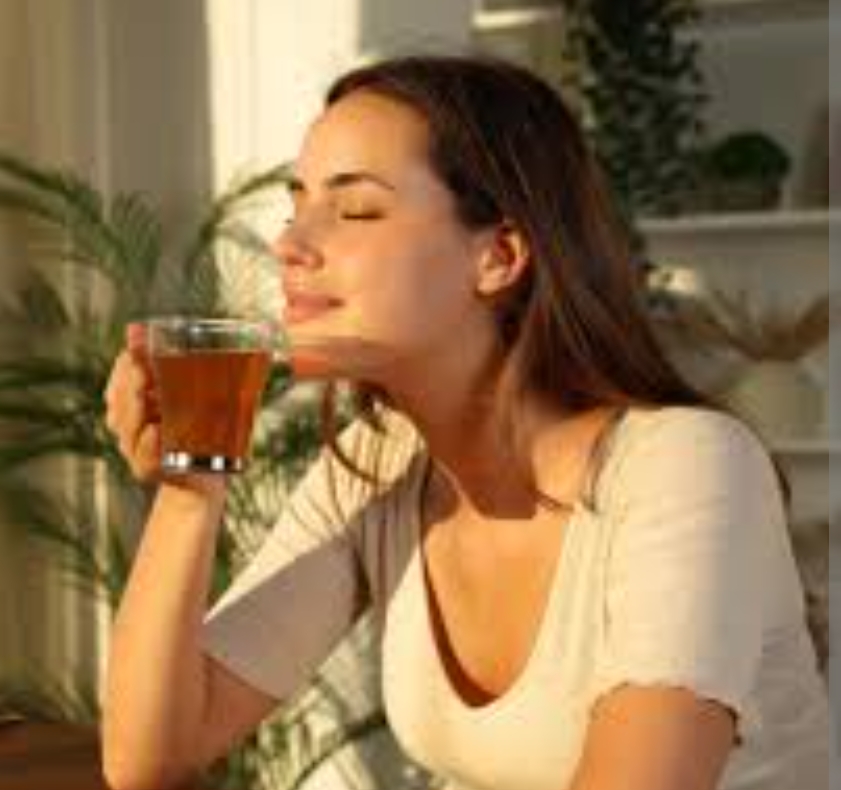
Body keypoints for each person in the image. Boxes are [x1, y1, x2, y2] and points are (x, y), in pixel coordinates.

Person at [101, 54, 831, 790]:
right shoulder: (375, 466)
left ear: (498, 256)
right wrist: (191, 485)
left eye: (355, 210)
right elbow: (152, 757)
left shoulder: (684, 466)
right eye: (297, 208)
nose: (288, 246)